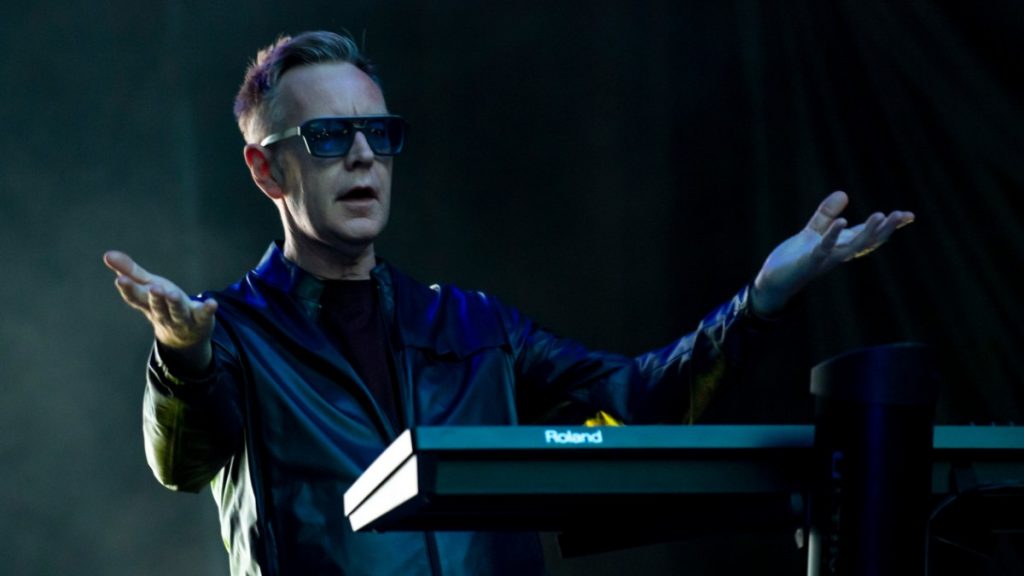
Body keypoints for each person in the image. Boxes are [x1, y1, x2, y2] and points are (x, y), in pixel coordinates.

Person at [103, 30, 914, 576]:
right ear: (266, 170)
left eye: (379, 134)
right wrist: (183, 358)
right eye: (329, 137)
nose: (363, 157)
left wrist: (762, 297)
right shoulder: (231, 333)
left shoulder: (474, 327)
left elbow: (636, 403)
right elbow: (182, 465)